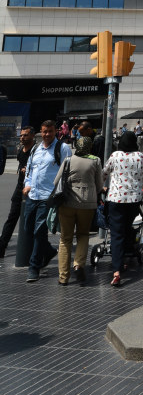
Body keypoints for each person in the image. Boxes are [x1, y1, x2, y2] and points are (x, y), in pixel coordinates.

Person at [23, 120, 72, 282]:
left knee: (39, 232)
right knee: (28, 230)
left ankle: (34, 267)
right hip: (33, 195)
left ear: (56, 131)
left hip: (48, 197)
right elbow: (29, 169)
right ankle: (49, 251)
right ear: (40, 132)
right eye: (44, 131)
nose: (47, 134)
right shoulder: (36, 149)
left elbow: (67, 172)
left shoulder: (62, 149)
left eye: (50, 131)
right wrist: (27, 184)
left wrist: (59, 194)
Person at [54, 130, 104, 285]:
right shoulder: (95, 161)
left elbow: (56, 182)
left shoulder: (68, 160)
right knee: (83, 234)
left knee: (65, 239)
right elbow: (100, 185)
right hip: (87, 204)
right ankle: (78, 264)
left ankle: (63, 277)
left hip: (67, 203)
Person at [103, 131, 143, 287]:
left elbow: (104, 172)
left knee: (116, 234)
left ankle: (117, 271)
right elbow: (142, 177)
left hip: (116, 199)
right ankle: (128, 256)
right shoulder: (140, 156)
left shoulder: (115, 156)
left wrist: (102, 186)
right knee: (128, 227)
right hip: (133, 200)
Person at [0, 125, 35, 258]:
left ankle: (33, 250)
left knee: (30, 221)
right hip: (19, 188)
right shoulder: (21, 150)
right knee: (12, 217)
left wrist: (30, 170)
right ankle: (2, 245)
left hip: (31, 190)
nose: (22, 137)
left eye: (25, 135)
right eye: (21, 135)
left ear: (32, 135)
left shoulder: (36, 151)